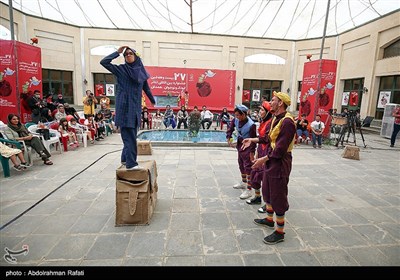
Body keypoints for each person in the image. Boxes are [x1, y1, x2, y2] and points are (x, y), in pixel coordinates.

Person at [242, 91, 296, 244]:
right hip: (271, 161)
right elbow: (268, 138)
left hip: (279, 162)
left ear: (280, 103)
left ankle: (280, 232)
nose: (269, 102)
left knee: (278, 195)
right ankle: (269, 219)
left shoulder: (287, 122)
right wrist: (252, 140)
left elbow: (280, 150)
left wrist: (262, 159)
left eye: (273, 100)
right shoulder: (275, 119)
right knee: (267, 190)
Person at [100, 45, 155, 170]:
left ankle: (125, 159)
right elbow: (104, 62)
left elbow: (146, 88)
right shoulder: (121, 69)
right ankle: (131, 164)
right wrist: (117, 52)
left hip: (135, 108)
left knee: (131, 135)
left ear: (136, 56)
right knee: (129, 136)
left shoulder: (141, 71)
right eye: (126, 54)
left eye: (130, 53)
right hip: (125, 107)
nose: (128, 55)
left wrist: (152, 100)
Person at [226, 104, 257, 199]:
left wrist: (252, 153)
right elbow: (230, 128)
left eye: (239, 115)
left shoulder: (251, 125)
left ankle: (249, 189)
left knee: (248, 167)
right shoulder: (236, 119)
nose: (237, 117)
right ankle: (243, 182)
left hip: (248, 146)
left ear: (244, 114)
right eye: (236, 115)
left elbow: (253, 140)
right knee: (241, 163)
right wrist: (229, 137)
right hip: (240, 144)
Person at [246, 101, 273, 205]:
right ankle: (257, 197)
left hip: (267, 151)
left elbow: (266, 139)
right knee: (255, 174)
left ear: (268, 112)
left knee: (266, 178)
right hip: (261, 149)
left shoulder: (270, 123)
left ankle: (269, 204)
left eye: (262, 110)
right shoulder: (263, 122)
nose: (260, 112)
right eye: (260, 109)